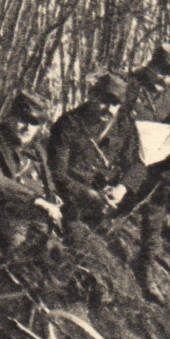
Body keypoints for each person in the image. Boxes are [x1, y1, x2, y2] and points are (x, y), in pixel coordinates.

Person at [119, 42, 170, 279]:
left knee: (161, 189)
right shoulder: (129, 86)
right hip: (122, 157)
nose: (164, 78)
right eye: (161, 70)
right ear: (150, 65)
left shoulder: (169, 98)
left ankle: (147, 263)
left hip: (151, 159)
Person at [0, 90, 65, 253]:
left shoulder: (37, 153)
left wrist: (52, 197)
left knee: (62, 257)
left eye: (34, 122)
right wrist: (36, 200)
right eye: (22, 120)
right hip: (0, 222)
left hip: (38, 221)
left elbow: (48, 183)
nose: (27, 127)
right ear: (9, 117)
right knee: (21, 260)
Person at [48, 72, 134, 226]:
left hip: (100, 207)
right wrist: (90, 195)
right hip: (66, 200)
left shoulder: (123, 127)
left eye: (115, 104)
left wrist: (122, 188)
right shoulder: (69, 124)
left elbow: (136, 163)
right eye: (104, 101)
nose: (109, 108)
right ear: (92, 95)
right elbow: (57, 173)